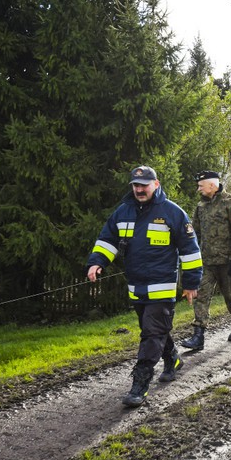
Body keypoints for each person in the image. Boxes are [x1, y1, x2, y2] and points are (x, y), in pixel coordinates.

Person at [86, 166, 202, 407]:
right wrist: (97, 263)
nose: (139, 189)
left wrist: (191, 284)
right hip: (136, 286)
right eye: (135, 185)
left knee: (151, 332)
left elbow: (190, 251)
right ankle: (172, 359)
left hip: (162, 286)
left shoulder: (173, 213)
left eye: (144, 185)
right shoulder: (123, 211)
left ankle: (140, 383)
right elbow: (107, 240)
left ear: (156, 184)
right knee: (155, 330)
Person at [180, 170, 231, 351]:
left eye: (201, 186)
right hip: (207, 262)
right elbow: (195, 234)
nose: (198, 190)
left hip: (227, 261)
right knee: (201, 296)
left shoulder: (230, 202)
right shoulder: (201, 206)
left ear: (212, 185)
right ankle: (198, 335)